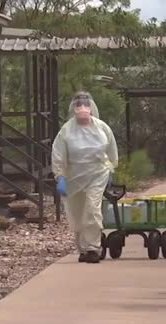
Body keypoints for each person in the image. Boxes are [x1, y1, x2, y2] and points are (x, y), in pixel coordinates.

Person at [51, 91, 118, 263]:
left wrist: (111, 169)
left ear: (91, 107)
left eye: (85, 105)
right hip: (74, 177)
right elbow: (58, 155)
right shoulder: (66, 131)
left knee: (92, 209)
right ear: (73, 108)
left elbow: (111, 152)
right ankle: (83, 249)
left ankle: (93, 248)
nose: (82, 108)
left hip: (97, 174)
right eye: (78, 105)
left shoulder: (102, 128)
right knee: (77, 213)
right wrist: (60, 177)